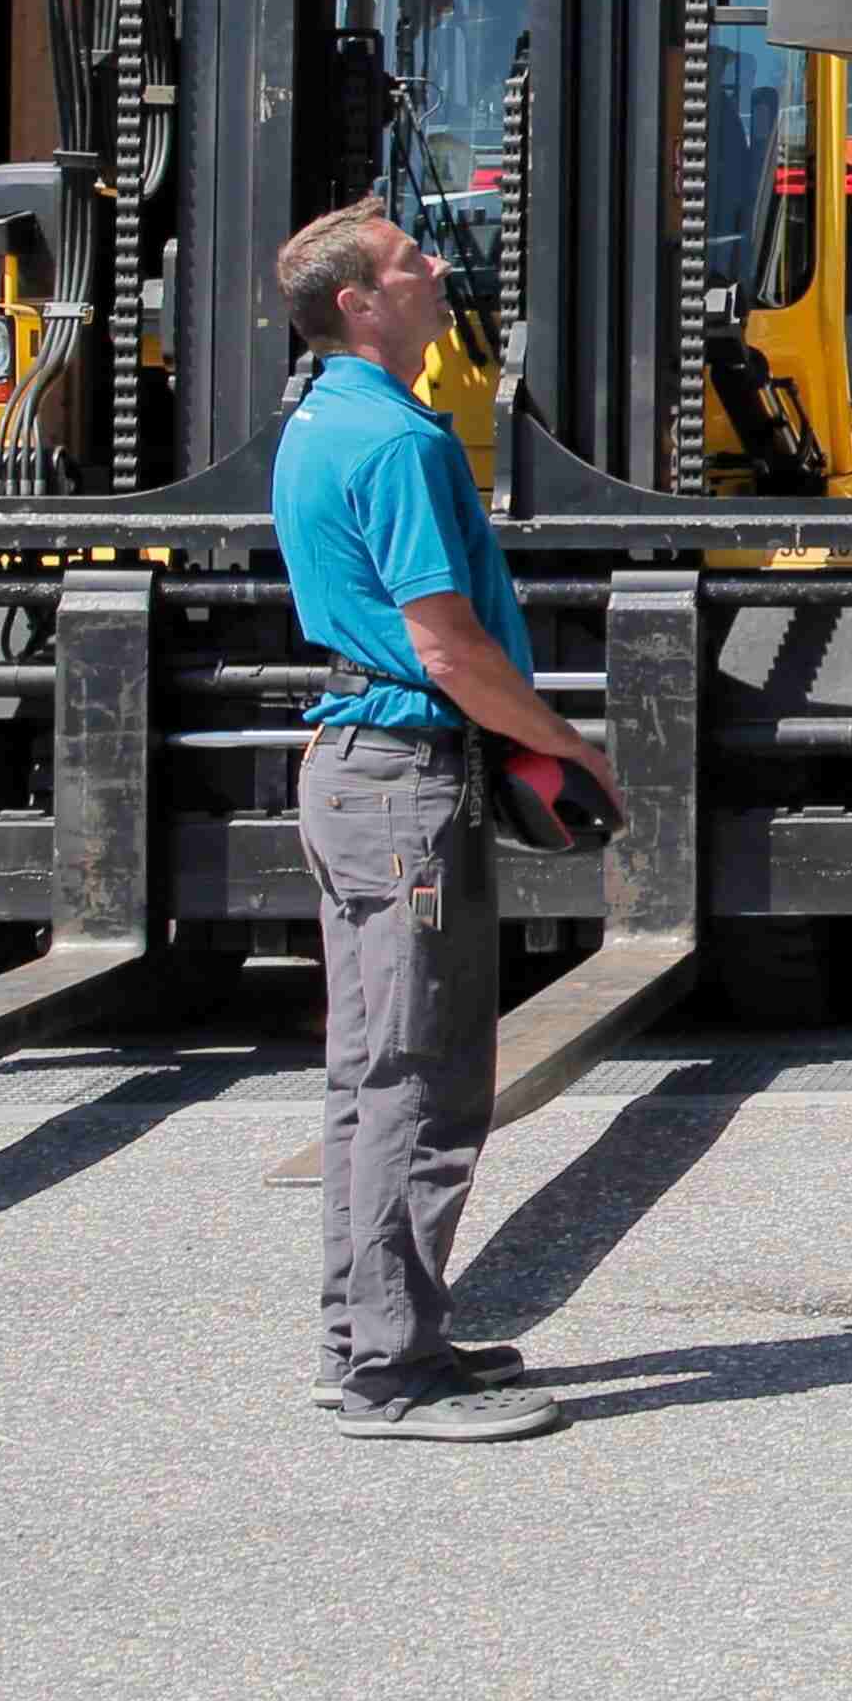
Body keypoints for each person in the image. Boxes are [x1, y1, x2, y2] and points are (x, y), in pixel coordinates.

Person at [269, 201, 615, 1442]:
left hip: (356, 769)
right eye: (411, 261)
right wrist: (560, 739)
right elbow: (445, 642)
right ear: (361, 301)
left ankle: (366, 1335)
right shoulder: (399, 443)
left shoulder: (323, 418)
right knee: (422, 1073)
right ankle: (387, 1374)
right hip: (407, 776)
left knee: (372, 1070)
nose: (432, 270)